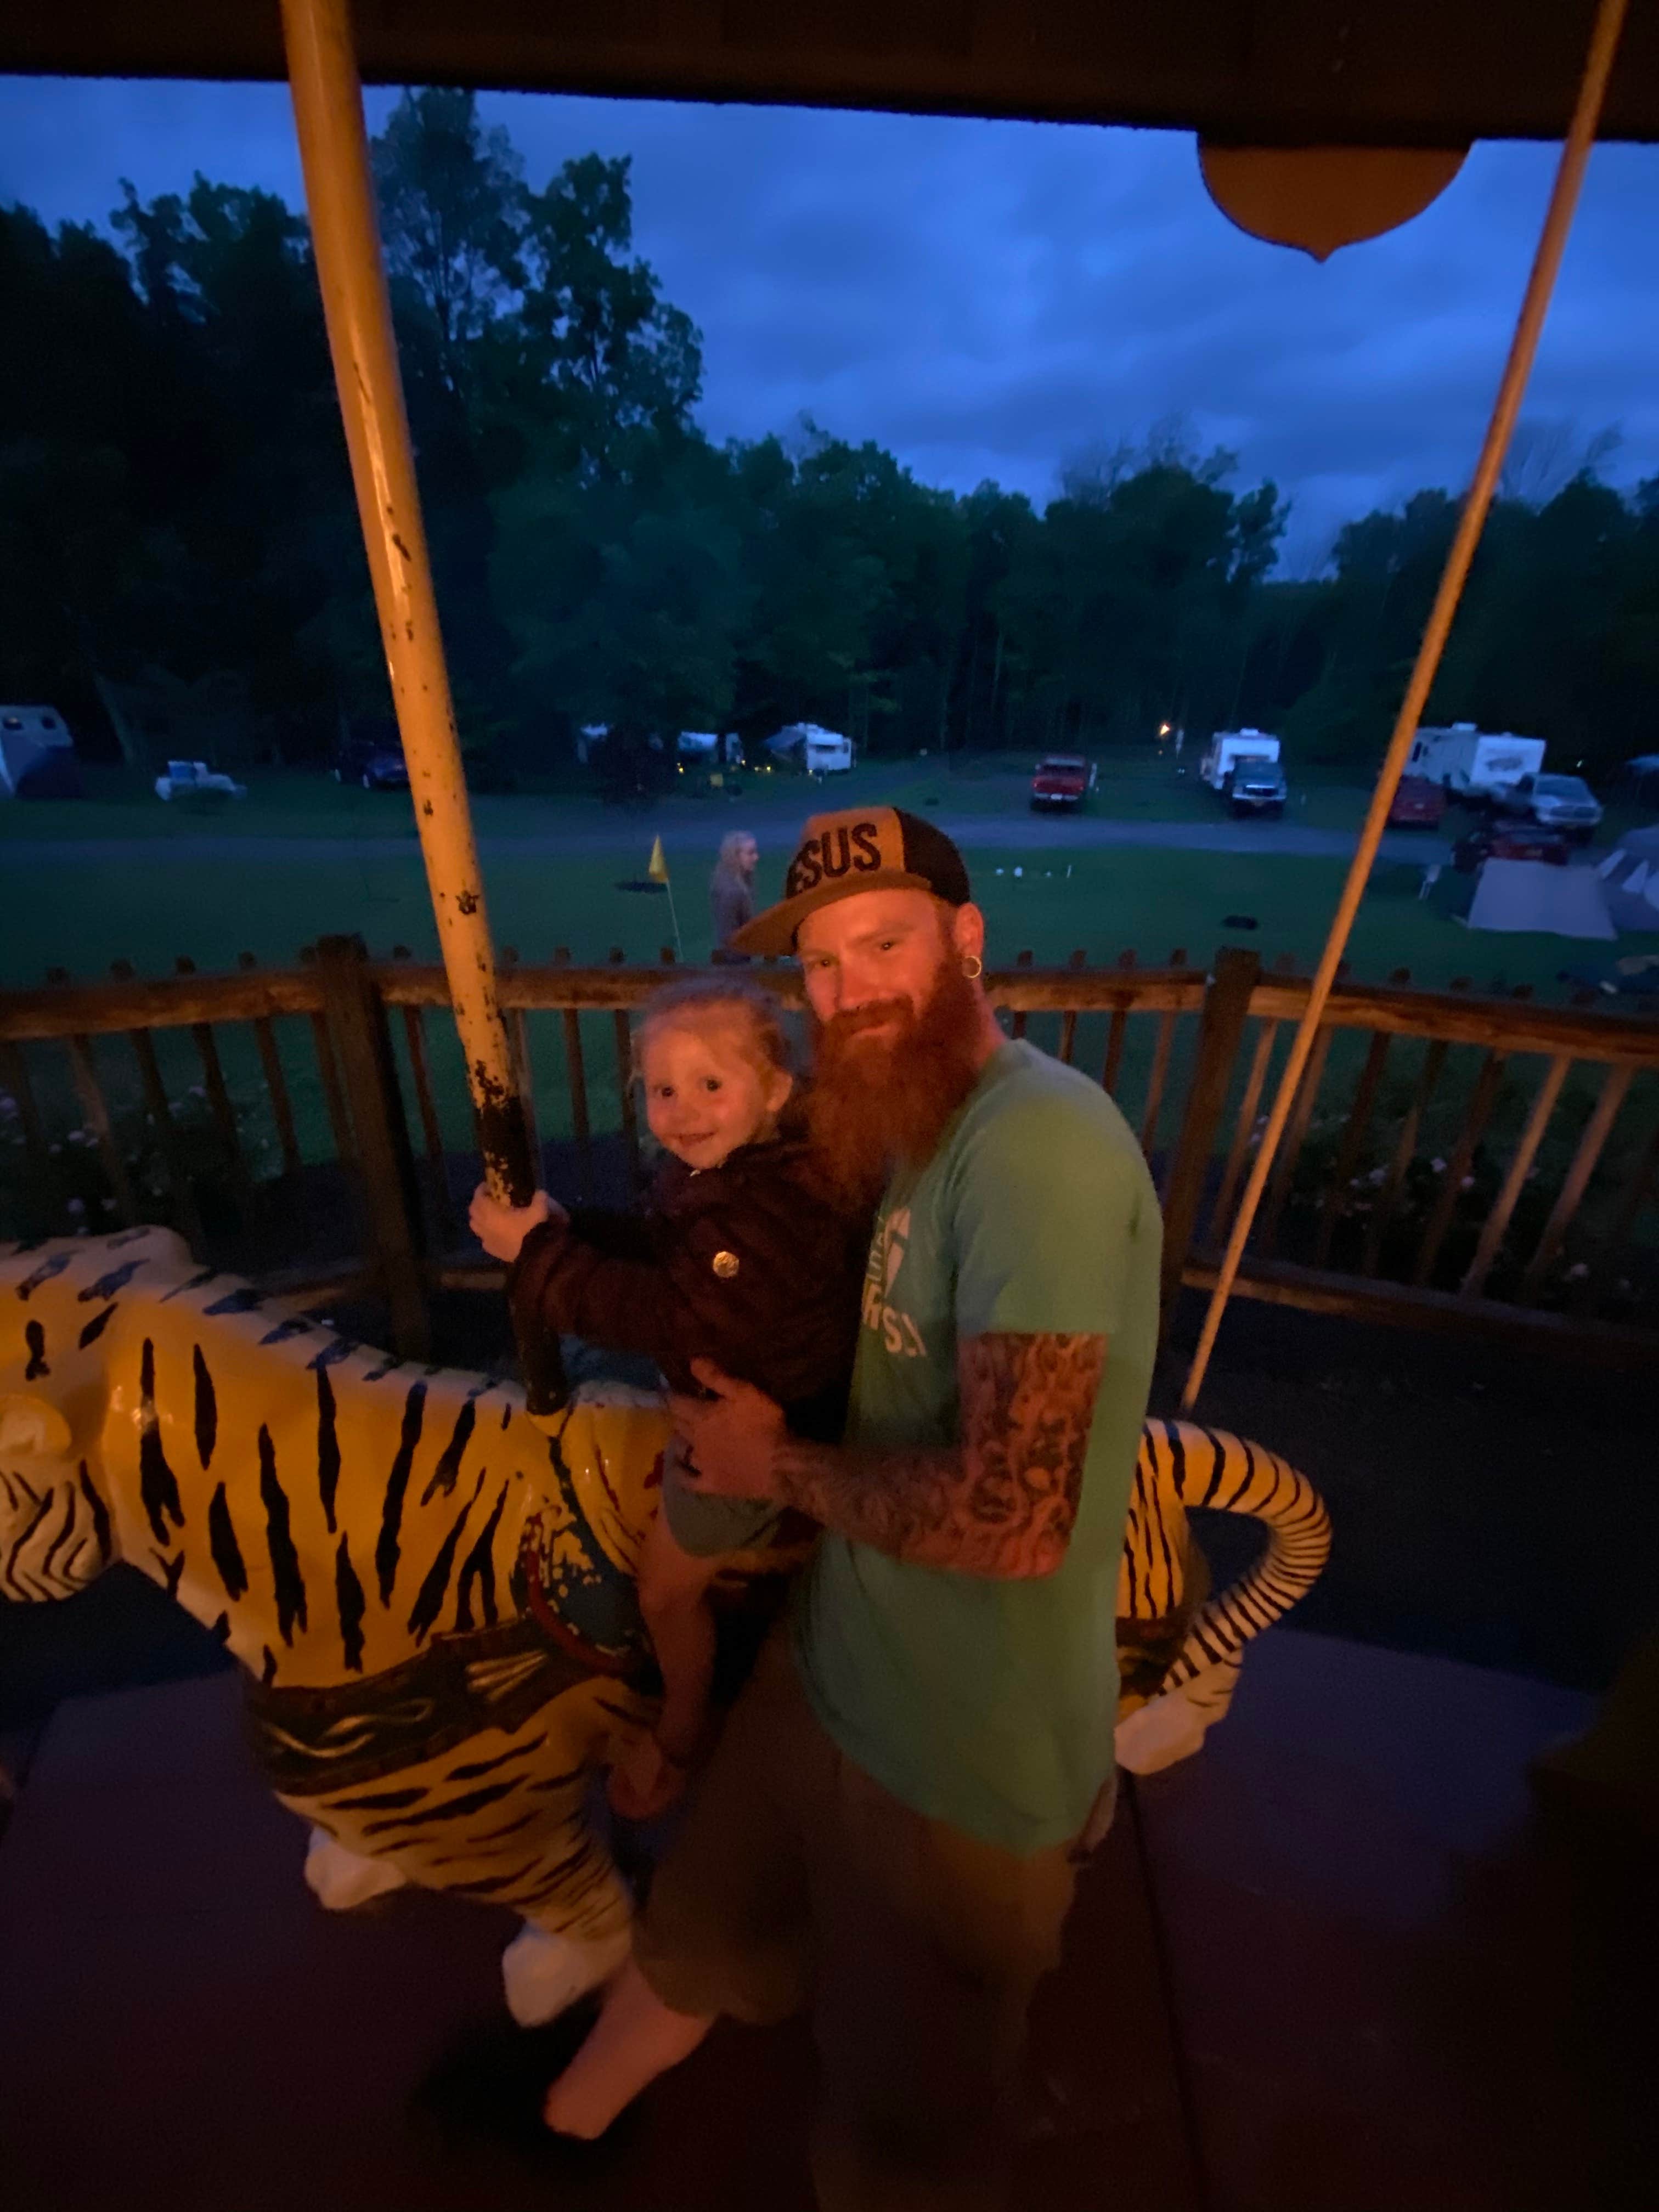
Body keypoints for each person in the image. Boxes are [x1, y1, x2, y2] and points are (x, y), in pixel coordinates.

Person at [543, 806, 1163, 2210]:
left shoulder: (1037, 1153)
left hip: (961, 1755)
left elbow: (1017, 1519)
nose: (848, 992)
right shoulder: (895, 1127)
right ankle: (558, 2122)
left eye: (883, 946)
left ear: (965, 943)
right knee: (695, 1938)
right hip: (831, 1669)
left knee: (910, 2136)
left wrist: (778, 1472)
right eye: (818, 966)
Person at [468, 976, 865, 1821]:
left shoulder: (762, 1212)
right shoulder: (736, 1173)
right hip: (755, 1385)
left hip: (756, 1426)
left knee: (663, 1594)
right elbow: (667, 1247)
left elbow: (666, 1312)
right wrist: (574, 1231)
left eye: (710, 1086)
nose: (683, 1110)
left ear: (774, 1091)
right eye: (664, 1089)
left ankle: (685, 1725)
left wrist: (539, 1257)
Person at [709, 829, 759, 961]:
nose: (756, 858)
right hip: (735, 964)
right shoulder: (732, 892)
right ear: (736, 857)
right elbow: (729, 938)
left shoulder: (740, 884)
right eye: (750, 853)